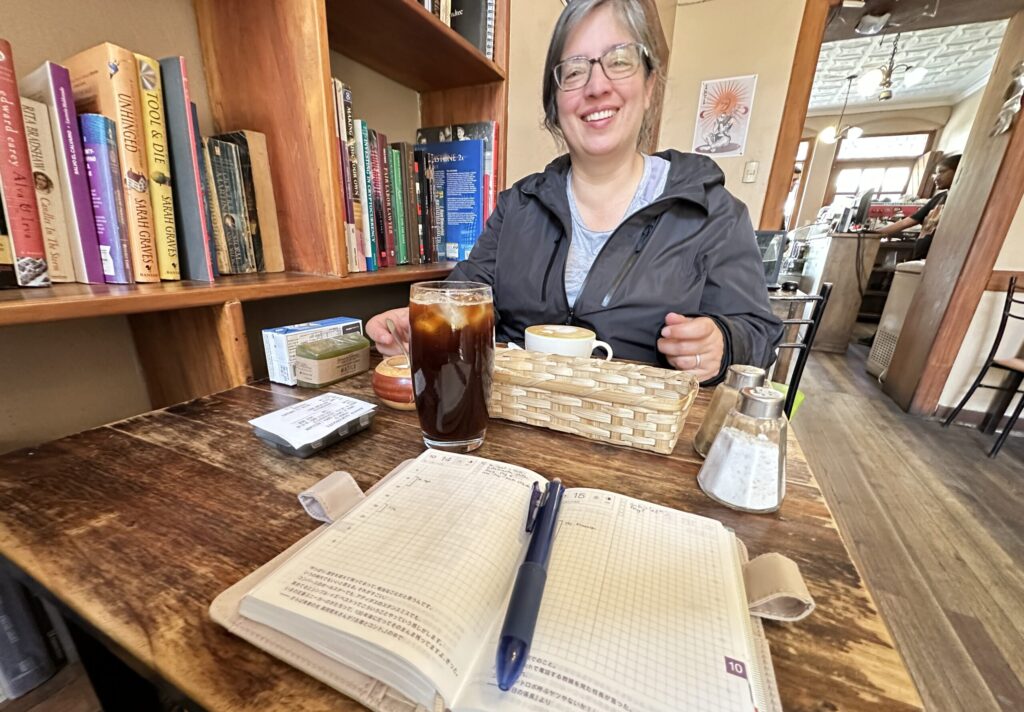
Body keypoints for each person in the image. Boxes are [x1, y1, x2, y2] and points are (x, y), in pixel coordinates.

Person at [367, 0, 782, 384]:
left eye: (619, 60)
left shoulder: (714, 212)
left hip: (641, 446)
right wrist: (417, 323)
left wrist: (723, 343)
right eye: (575, 70)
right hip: (513, 432)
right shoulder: (516, 207)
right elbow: (463, 300)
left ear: (650, 84)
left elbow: (760, 334)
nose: (596, 86)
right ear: (556, 101)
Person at [876, 153, 960, 259]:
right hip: (921, 256)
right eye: (936, 173)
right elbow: (906, 222)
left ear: (958, 170)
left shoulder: (960, 201)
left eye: (942, 172)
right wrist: (874, 234)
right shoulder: (939, 198)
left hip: (939, 258)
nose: (935, 178)